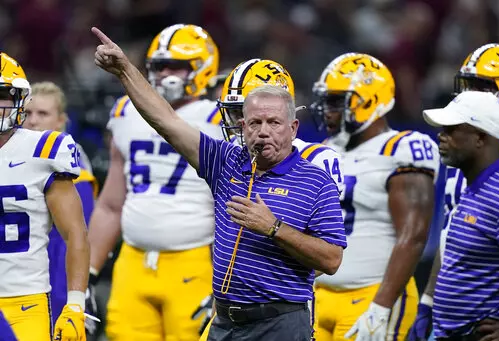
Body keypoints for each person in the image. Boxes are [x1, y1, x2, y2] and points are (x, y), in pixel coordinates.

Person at [92, 26, 346, 341]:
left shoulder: (317, 169)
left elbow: (330, 261)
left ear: (290, 121)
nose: (253, 129)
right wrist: (125, 70)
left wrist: (274, 228)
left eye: (268, 120)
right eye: (244, 118)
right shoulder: (228, 160)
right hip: (226, 317)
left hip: (281, 317)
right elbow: (165, 120)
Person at [86, 24, 223, 340]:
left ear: (203, 69)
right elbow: (110, 205)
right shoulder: (125, 111)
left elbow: (229, 208)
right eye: (160, 66)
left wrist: (226, 282)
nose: (166, 75)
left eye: (177, 66)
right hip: (132, 262)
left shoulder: (219, 118)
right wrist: (89, 275)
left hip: (194, 262)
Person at [193, 58, 345, 336]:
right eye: (237, 114)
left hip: (281, 311)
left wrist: (260, 296)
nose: (238, 124)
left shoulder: (315, 162)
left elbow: (323, 257)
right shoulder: (236, 159)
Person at [310, 53, 439, 341]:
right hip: (319, 297)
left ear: (368, 100)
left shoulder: (401, 147)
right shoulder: (326, 148)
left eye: (336, 101)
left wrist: (381, 306)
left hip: (372, 294)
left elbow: (414, 235)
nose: (327, 110)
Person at [408, 43, 499, 341]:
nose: (470, 96)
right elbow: (451, 234)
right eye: (468, 87)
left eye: (482, 88)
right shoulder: (463, 151)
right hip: (451, 320)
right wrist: (428, 300)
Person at [0, 52, 90, 340]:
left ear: (19, 99)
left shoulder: (44, 149)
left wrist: (75, 304)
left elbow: (75, 232)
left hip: (23, 301)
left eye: (2, 94)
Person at [22, 81, 98, 328]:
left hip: (54, 272)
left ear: (61, 120)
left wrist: (75, 296)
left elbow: (75, 237)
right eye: (27, 113)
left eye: (43, 113)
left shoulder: (66, 162)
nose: (33, 121)